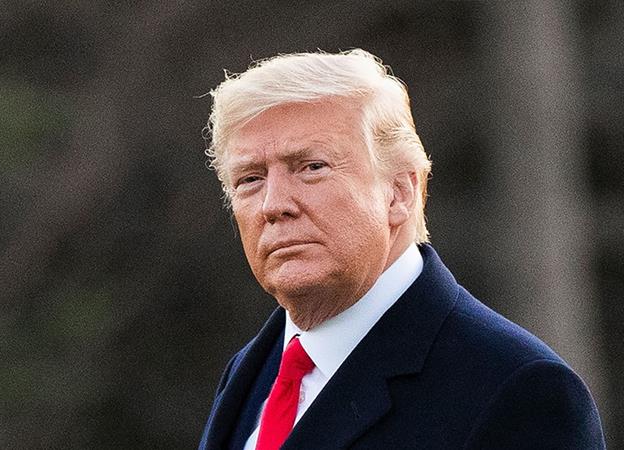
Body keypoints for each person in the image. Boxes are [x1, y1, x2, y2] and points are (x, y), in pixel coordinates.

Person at [198, 49, 605, 450]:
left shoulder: (520, 391)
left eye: (311, 167)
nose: (273, 204)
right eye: (250, 179)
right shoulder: (250, 372)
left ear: (400, 193)